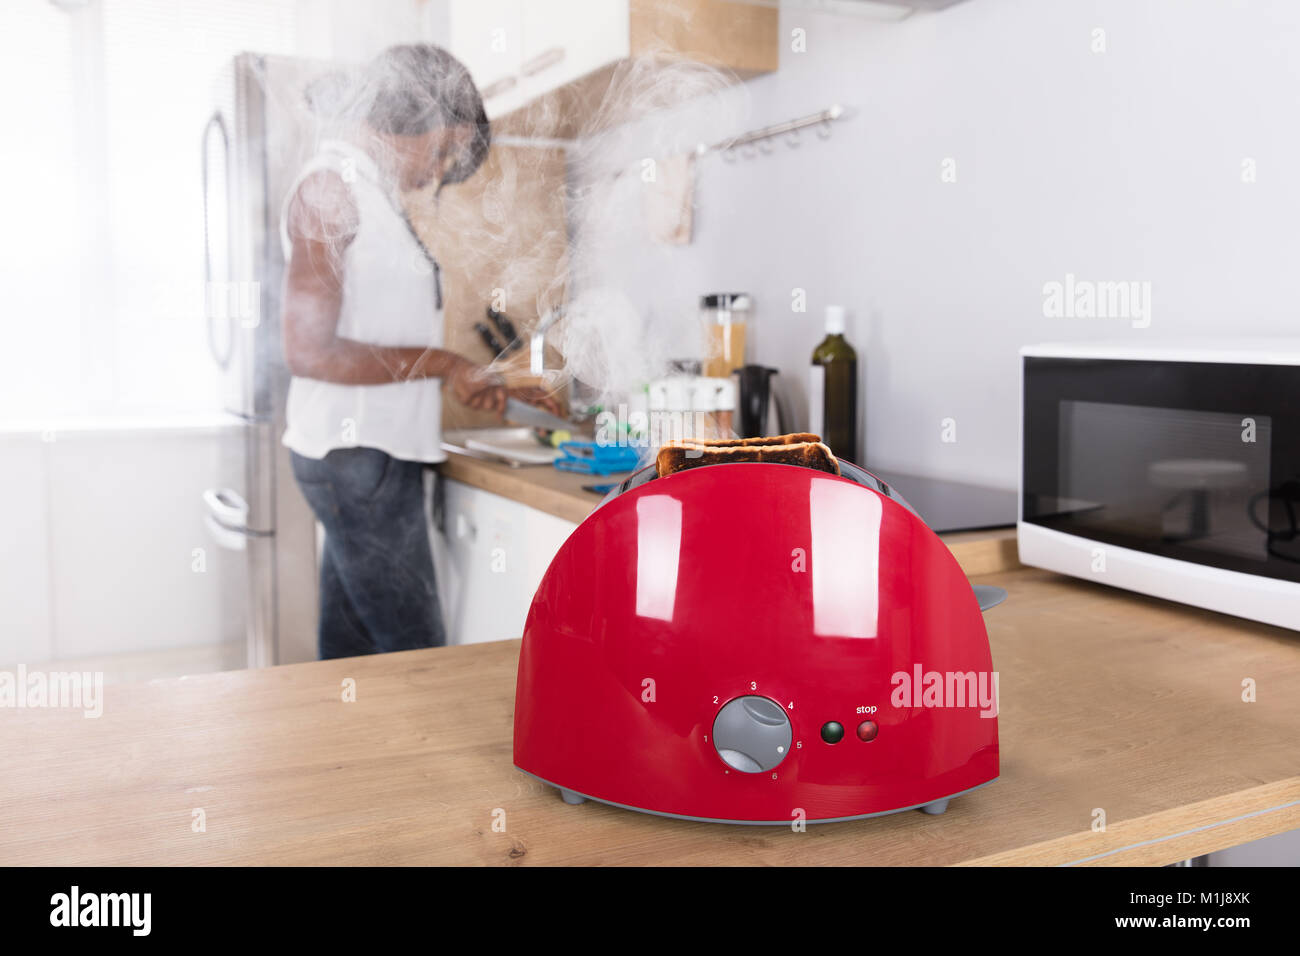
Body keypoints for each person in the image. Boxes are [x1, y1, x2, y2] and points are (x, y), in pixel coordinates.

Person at [280, 44, 558, 659]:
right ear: (404, 120)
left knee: (353, 649)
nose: (436, 173)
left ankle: (346, 752)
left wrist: (468, 375)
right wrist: (446, 365)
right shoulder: (331, 187)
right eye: (439, 152)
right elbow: (309, 350)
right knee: (419, 655)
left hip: (369, 458)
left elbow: (381, 339)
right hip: (356, 459)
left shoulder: (369, 194)